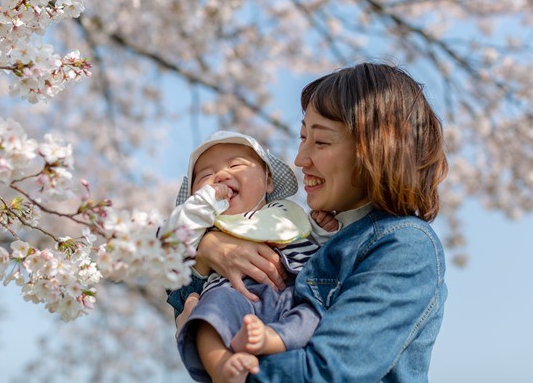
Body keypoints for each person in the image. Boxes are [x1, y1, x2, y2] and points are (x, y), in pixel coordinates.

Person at [168, 62, 449, 383]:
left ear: (374, 148)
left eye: (321, 142)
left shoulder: (403, 245)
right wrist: (207, 247)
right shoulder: (305, 236)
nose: (301, 158)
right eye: (303, 138)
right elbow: (191, 286)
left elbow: (327, 373)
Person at [160, 130, 340, 383]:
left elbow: (317, 252)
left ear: (268, 182)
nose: (221, 175)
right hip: (233, 296)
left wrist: (323, 231)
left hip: (292, 294)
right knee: (207, 317)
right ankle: (221, 365)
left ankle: (271, 339)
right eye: (206, 176)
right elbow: (172, 240)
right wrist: (204, 203)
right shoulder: (203, 227)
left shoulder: (286, 215)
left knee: (313, 312)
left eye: (235, 164)